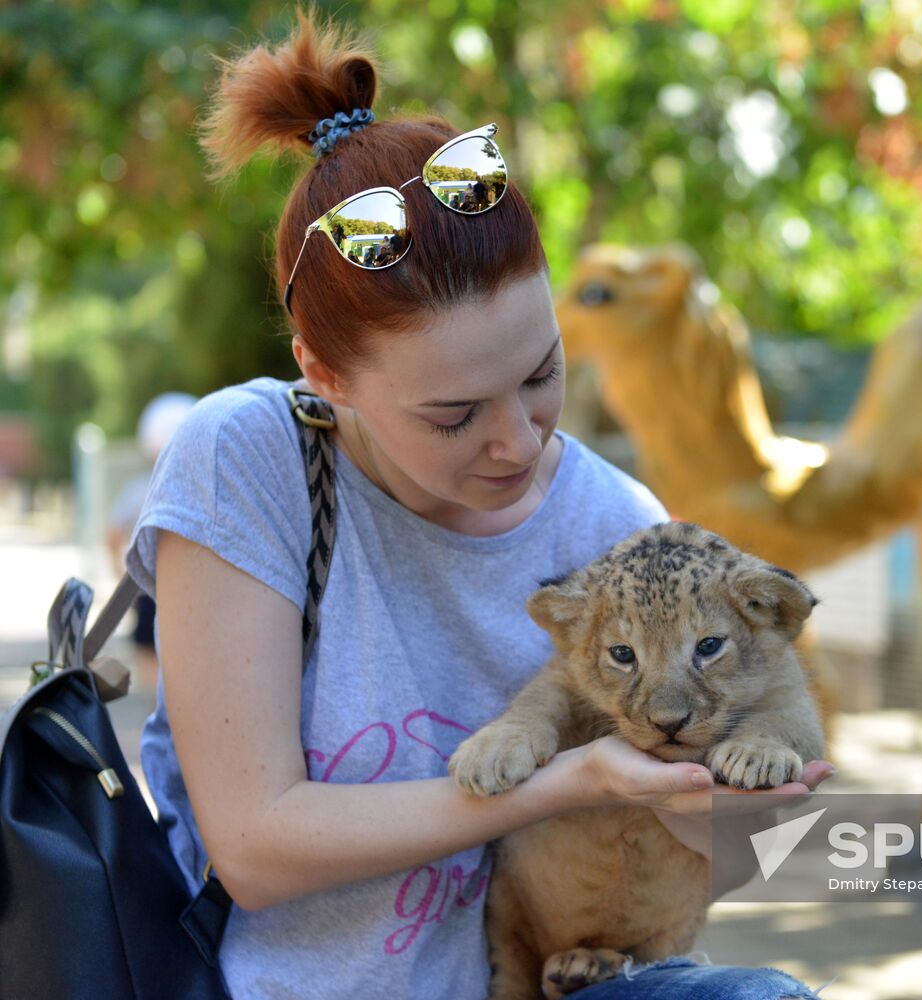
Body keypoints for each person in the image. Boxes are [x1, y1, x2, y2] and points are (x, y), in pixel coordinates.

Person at [125, 15, 833, 1000]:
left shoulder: (616, 521)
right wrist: (565, 783)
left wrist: (729, 807)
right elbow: (254, 844)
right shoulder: (247, 458)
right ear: (324, 376)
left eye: (542, 373)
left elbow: (746, 852)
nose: (520, 439)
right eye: (454, 414)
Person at [104, 390, 197, 690]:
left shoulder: (139, 490)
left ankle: (164, 708)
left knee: (152, 660)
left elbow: (112, 536)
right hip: (188, 587)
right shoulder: (202, 493)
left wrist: (122, 576)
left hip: (149, 588)